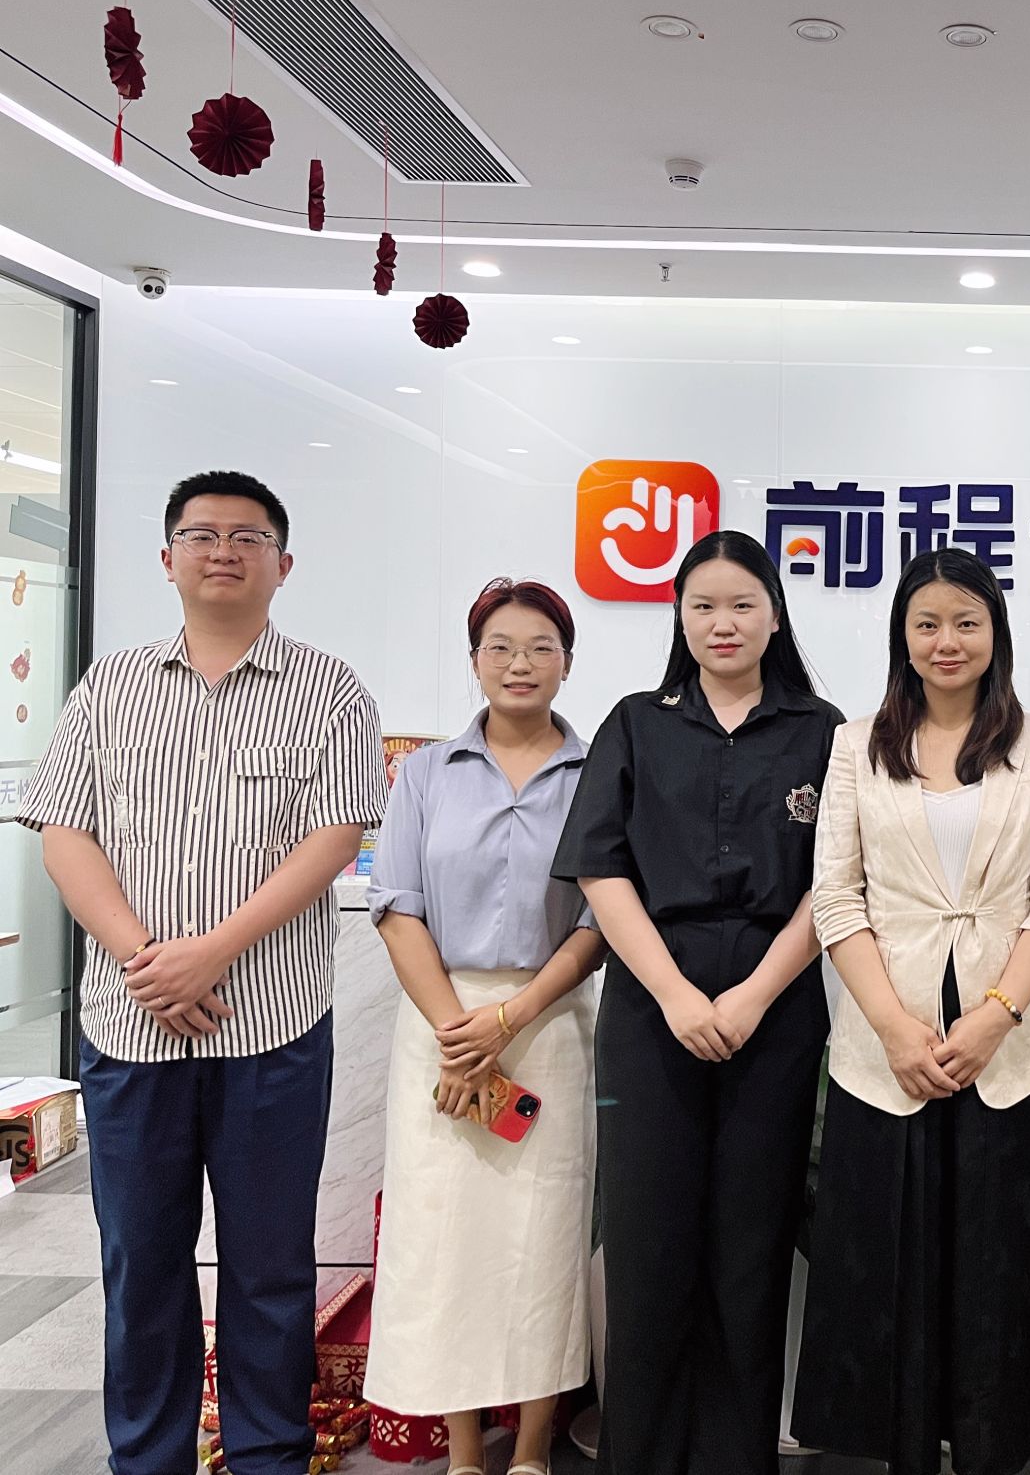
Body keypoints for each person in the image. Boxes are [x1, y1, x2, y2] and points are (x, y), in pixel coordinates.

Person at [17, 471, 385, 1475]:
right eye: (202, 533)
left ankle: (267, 1454)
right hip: (131, 1027)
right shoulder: (109, 686)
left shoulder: (330, 690)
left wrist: (211, 951)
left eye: (247, 536)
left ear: (283, 563)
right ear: (168, 557)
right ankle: (148, 1457)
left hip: (272, 1025)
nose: (223, 550)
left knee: (269, 1263)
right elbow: (63, 831)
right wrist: (146, 958)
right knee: (141, 1261)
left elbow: (333, 836)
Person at [551, 531, 842, 1475]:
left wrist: (753, 995)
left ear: (775, 616)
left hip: (777, 1008)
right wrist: (676, 994)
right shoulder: (637, 722)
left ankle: (735, 1458)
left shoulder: (823, 730)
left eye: (743, 604)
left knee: (751, 1251)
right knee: (647, 1246)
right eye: (703, 605)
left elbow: (837, 882)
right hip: (651, 1010)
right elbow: (600, 869)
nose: (723, 622)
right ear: (679, 617)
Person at [794, 547, 1030, 1475]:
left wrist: (996, 1015)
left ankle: (992, 1447)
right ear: (903, 637)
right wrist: (891, 1025)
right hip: (889, 1045)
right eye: (927, 623)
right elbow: (837, 898)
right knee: (891, 1260)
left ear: (996, 631)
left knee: (996, 1263)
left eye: (966, 621)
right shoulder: (856, 743)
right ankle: (906, 1451)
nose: (946, 640)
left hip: (1001, 1045)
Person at [363, 579, 605, 1475]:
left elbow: (599, 921)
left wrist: (510, 1017)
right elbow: (396, 906)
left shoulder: (598, 773)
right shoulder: (426, 773)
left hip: (548, 1023)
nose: (519, 663)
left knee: (541, 1242)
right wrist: (457, 1031)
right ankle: (466, 1449)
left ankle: (532, 1448)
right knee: (446, 1241)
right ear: (474, 660)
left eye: (541, 647)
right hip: (440, 1028)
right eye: (500, 646)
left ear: (567, 662)